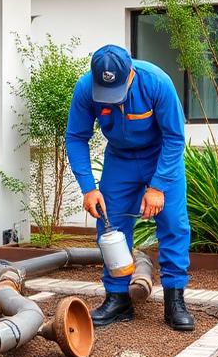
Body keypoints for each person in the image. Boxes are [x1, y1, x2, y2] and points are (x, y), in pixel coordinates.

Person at [65, 44, 194, 331]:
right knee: (111, 225)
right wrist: (88, 187)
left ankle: (175, 300)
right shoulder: (86, 88)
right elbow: (75, 137)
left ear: (131, 74)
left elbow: (174, 138)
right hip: (120, 159)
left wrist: (158, 187)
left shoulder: (157, 82)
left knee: (174, 223)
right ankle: (118, 298)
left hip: (159, 156)